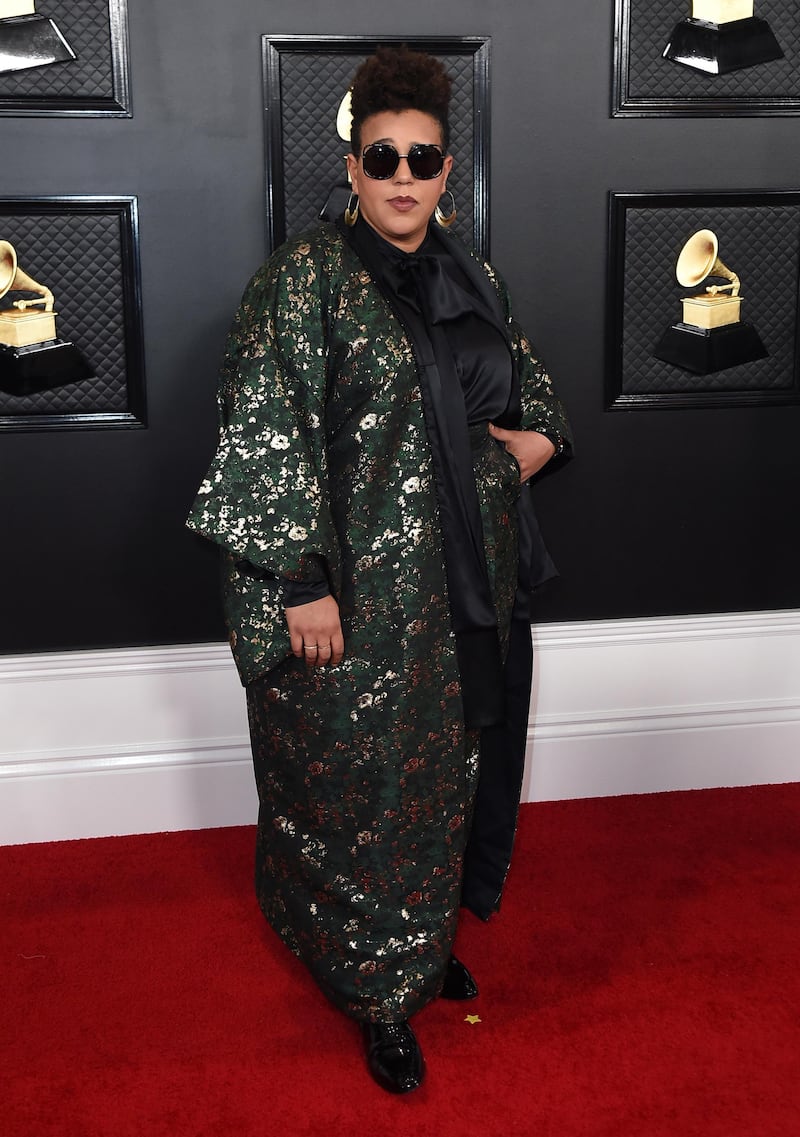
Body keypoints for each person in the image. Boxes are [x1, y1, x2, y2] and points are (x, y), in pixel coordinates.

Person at [187, 44, 571, 1095]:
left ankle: (414, 948)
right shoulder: (301, 281)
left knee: (446, 777)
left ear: (449, 170)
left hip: (466, 592)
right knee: (357, 794)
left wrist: (537, 434)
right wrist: (296, 581)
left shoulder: (470, 270)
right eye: (381, 157)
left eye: (423, 158)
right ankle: (370, 988)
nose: (402, 177)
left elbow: (521, 381)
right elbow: (263, 434)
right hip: (358, 600)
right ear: (351, 168)